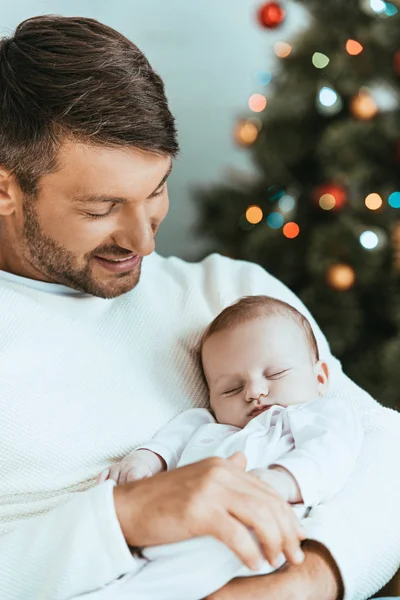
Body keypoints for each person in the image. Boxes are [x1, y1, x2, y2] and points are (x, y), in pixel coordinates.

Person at [0, 13, 399, 600]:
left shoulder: (232, 297)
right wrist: (124, 516)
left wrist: (299, 585)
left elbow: (384, 451)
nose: (145, 242)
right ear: (6, 188)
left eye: (156, 189)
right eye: (101, 207)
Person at [94, 296, 363, 600]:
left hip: (258, 550)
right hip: (170, 549)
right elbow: (166, 446)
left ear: (320, 378)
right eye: (231, 389)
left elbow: (330, 453)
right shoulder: (202, 424)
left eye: (274, 374)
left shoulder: (319, 414)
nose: (254, 392)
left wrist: (280, 480)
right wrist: (142, 462)